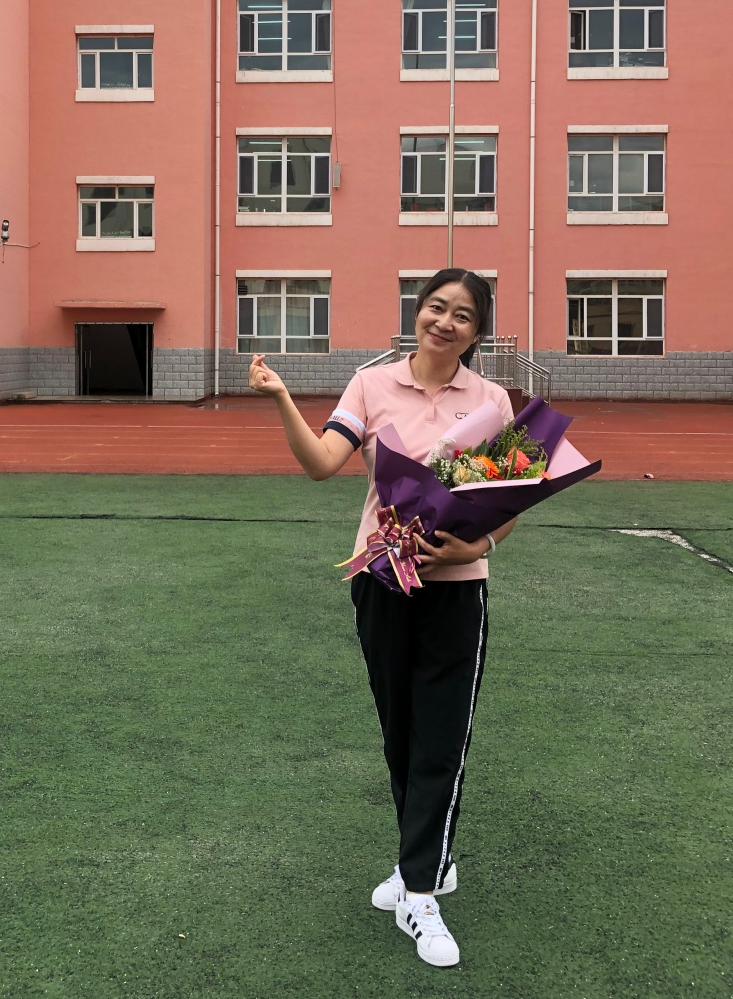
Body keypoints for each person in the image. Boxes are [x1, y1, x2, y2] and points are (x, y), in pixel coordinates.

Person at [248, 268, 517, 968]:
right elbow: (321, 463)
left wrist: (477, 545)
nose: (445, 322)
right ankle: (422, 858)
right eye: (436, 307)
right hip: (381, 585)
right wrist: (281, 398)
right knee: (401, 732)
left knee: (442, 737)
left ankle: (419, 892)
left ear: (477, 333)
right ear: (416, 312)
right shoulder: (370, 385)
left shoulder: (492, 400)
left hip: (457, 591)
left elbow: (509, 501)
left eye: (463, 315)